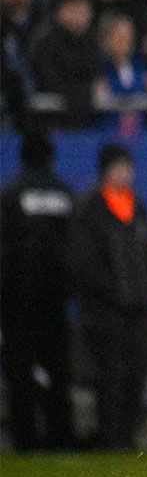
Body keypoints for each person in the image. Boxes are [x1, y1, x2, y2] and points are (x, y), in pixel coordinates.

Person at [70, 144, 147, 450]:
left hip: (138, 310)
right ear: (105, 170)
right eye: (119, 166)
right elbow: (84, 263)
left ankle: (129, 436)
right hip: (105, 312)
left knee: (136, 375)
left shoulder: (138, 207)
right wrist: (108, 293)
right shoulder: (90, 208)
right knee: (108, 377)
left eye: (127, 165)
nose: (125, 172)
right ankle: (110, 439)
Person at [0, 132, 76, 451]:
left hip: (18, 301)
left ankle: (26, 438)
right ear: (50, 157)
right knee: (60, 371)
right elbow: (75, 249)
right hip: (57, 301)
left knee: (21, 372)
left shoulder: (11, 194)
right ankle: (60, 437)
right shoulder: (65, 194)